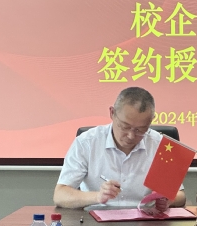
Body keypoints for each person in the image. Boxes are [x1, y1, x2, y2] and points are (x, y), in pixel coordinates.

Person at [54, 87, 186, 210]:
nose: (131, 136)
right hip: (96, 220)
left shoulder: (161, 145)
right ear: (112, 113)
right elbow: (60, 195)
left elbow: (180, 196)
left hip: (145, 220)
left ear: (151, 121)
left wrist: (168, 200)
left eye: (140, 130)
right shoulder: (87, 143)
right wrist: (97, 196)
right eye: (125, 126)